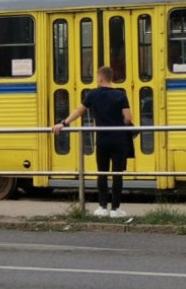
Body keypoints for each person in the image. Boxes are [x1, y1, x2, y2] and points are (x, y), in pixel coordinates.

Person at [52, 65, 134, 218]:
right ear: (111, 79)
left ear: (100, 78)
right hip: (119, 139)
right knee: (117, 174)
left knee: (101, 173)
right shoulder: (120, 95)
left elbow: (79, 111)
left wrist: (63, 123)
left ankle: (102, 207)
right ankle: (116, 209)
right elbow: (128, 118)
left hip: (102, 139)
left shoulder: (92, 95)